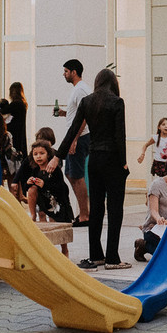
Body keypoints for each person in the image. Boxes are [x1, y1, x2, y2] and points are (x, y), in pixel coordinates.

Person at [49, 68, 129, 270]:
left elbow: (73, 130)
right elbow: (120, 137)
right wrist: (124, 162)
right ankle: (112, 258)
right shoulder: (117, 103)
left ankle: (96, 256)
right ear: (113, 84)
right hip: (112, 159)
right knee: (115, 209)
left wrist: (58, 156)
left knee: (96, 209)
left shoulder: (87, 102)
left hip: (94, 159)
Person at [54, 59, 91, 227]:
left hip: (79, 137)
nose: (64, 74)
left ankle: (85, 215)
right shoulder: (77, 90)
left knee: (76, 175)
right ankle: (84, 212)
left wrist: (75, 139)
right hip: (74, 136)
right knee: (69, 173)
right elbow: (77, 113)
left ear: (74, 72)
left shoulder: (82, 90)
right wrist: (63, 113)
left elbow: (84, 116)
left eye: (66, 71)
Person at [134, 152, 167, 262]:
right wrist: (159, 219)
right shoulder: (157, 184)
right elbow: (153, 210)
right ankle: (143, 245)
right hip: (154, 229)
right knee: (166, 256)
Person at [0, 81, 28, 160]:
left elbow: (1, 112)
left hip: (14, 130)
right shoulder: (23, 103)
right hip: (20, 129)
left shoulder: (16, 103)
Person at [137, 117, 167, 182]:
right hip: (159, 162)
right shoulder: (156, 137)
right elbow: (145, 145)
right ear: (159, 127)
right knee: (160, 180)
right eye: (163, 124)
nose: (166, 126)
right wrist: (142, 154)